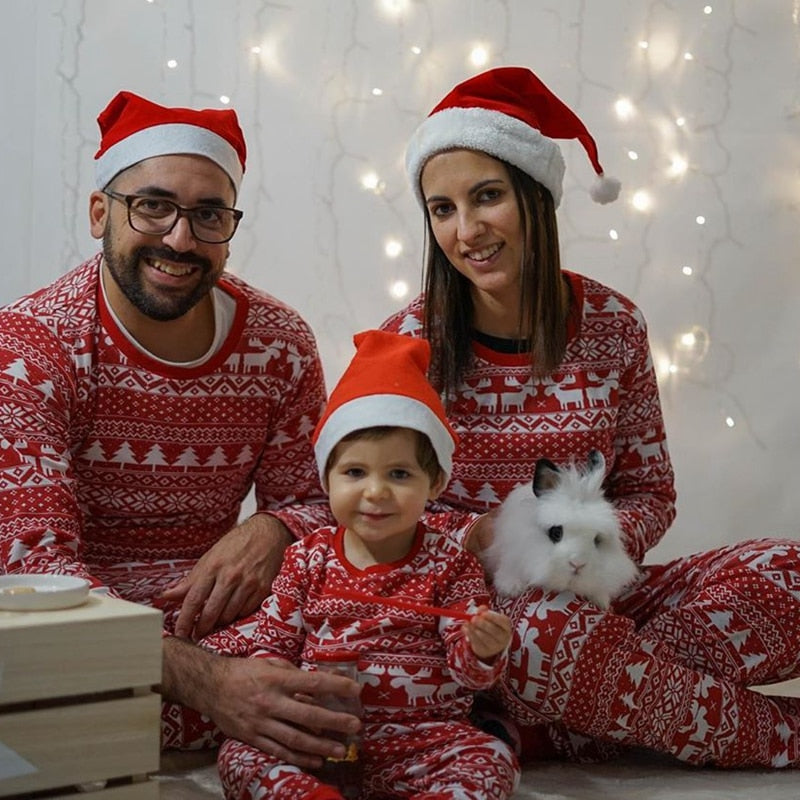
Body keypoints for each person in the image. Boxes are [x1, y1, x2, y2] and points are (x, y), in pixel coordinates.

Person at [381, 66, 800, 768]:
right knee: (543, 637)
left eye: (487, 197)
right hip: (481, 617)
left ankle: (574, 714)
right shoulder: (408, 345)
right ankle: (773, 732)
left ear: (536, 198)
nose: (467, 229)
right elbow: (370, 509)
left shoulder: (612, 325)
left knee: (790, 572)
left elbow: (649, 492)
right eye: (442, 209)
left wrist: (583, 547)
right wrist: (481, 537)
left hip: (597, 585)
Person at [0, 90, 363, 760]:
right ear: (99, 213)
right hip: (79, 621)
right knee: (30, 667)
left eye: (208, 214)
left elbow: (325, 505)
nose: (180, 238)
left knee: (378, 630)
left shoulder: (278, 343)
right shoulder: (31, 347)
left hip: (222, 613)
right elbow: (34, 569)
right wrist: (209, 682)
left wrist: (273, 526)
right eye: (153, 206)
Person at [214, 329, 519, 799]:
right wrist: (285, 694)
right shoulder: (306, 559)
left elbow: (467, 673)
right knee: (239, 753)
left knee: (491, 760)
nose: (375, 492)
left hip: (422, 742)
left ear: (435, 482)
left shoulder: (450, 564)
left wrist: (482, 649)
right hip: (319, 736)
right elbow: (272, 646)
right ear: (327, 478)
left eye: (399, 474)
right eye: (355, 473)